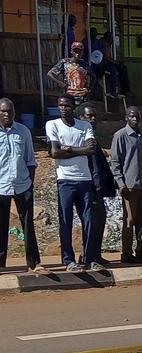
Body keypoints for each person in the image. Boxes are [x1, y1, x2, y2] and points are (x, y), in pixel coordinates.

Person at [47, 96, 100, 273]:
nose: (63, 108)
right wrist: (79, 151)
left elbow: (91, 150)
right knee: (65, 221)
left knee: (89, 220)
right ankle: (68, 260)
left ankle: (90, 258)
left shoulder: (84, 125)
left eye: (67, 105)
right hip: (65, 180)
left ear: (73, 107)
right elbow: (54, 152)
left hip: (85, 179)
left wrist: (68, 148)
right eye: (61, 105)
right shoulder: (52, 125)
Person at [0, 98, 45, 273]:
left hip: (22, 185)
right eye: (3, 111)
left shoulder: (23, 131)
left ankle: (34, 263)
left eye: (9, 111)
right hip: (1, 186)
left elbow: (30, 161)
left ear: (14, 113)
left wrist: (30, 185)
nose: (6, 114)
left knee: (28, 226)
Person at [109, 106, 142, 265]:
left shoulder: (140, 136)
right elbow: (115, 162)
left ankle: (140, 250)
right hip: (129, 186)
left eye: (137, 117)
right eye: (132, 117)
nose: (135, 119)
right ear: (126, 118)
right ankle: (126, 253)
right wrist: (120, 184)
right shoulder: (120, 136)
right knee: (129, 220)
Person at [80, 104, 116, 266]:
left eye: (94, 116)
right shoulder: (84, 139)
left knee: (99, 220)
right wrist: (97, 187)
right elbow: (91, 166)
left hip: (98, 188)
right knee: (92, 222)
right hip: (91, 188)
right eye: (89, 116)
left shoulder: (93, 137)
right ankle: (89, 257)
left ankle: (95, 254)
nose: (92, 119)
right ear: (81, 118)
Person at [47, 42, 94, 106]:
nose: (77, 53)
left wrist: (89, 89)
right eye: (75, 51)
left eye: (80, 51)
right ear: (71, 51)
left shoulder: (84, 65)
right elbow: (50, 74)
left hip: (83, 96)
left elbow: (93, 77)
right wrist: (60, 83)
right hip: (69, 95)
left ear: (82, 52)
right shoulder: (65, 62)